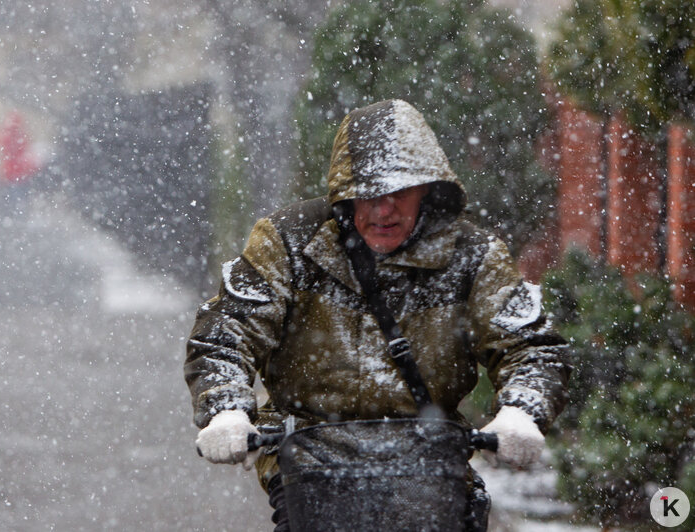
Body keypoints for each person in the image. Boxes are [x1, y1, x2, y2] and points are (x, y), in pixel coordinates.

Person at [185, 99, 570, 531]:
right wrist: (226, 409)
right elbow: (227, 330)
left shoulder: (472, 256)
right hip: (311, 462)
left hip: (429, 463)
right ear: (344, 194)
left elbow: (530, 347)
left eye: (399, 193)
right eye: (368, 195)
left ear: (427, 188)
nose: (383, 210)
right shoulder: (289, 241)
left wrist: (522, 410)